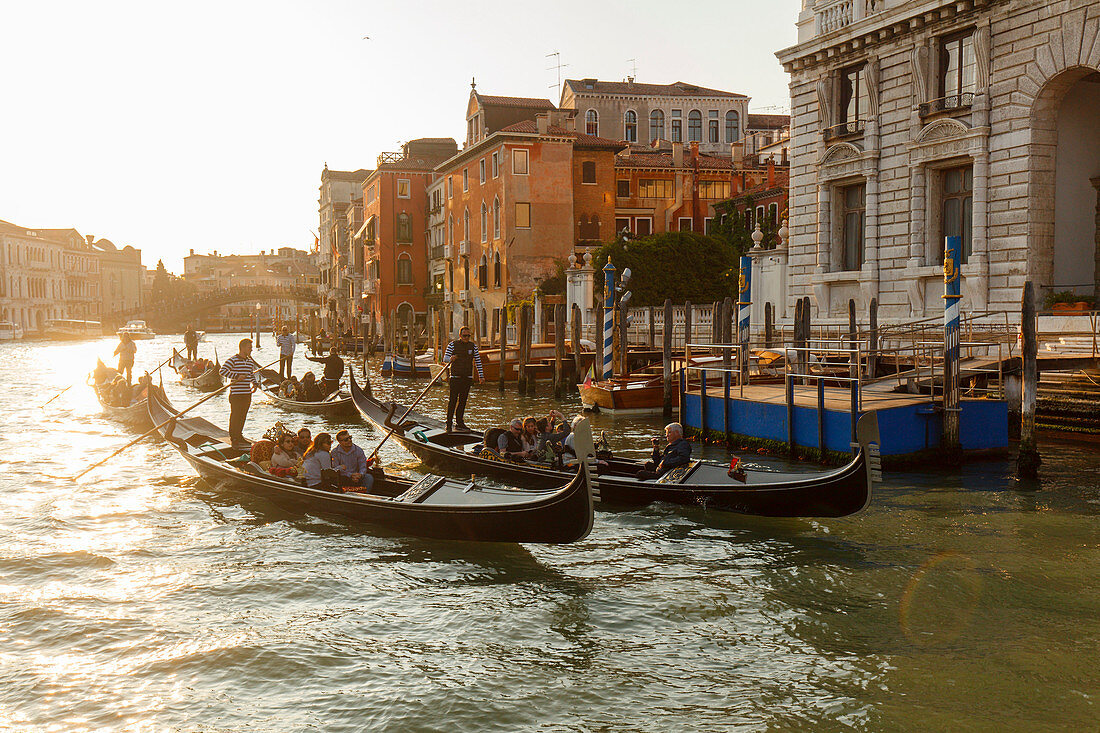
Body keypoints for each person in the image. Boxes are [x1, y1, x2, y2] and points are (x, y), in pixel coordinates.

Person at [219, 338, 260, 448]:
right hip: (236, 394)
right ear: (242, 348)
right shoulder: (233, 360)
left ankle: (239, 435)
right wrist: (237, 376)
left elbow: (251, 374)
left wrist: (255, 384)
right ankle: (234, 437)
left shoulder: (249, 361)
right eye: (249, 348)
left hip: (247, 393)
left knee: (243, 415)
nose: (251, 350)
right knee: (235, 415)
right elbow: (222, 371)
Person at [442, 326, 484, 432]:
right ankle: (449, 422)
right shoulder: (452, 345)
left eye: (468, 336)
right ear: (460, 335)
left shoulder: (473, 346)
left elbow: (478, 361)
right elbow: (445, 358)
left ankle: (460, 423)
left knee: (463, 401)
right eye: (465, 336)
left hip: (467, 377)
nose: (466, 338)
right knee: (452, 401)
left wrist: (481, 376)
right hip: (455, 377)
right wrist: (451, 358)